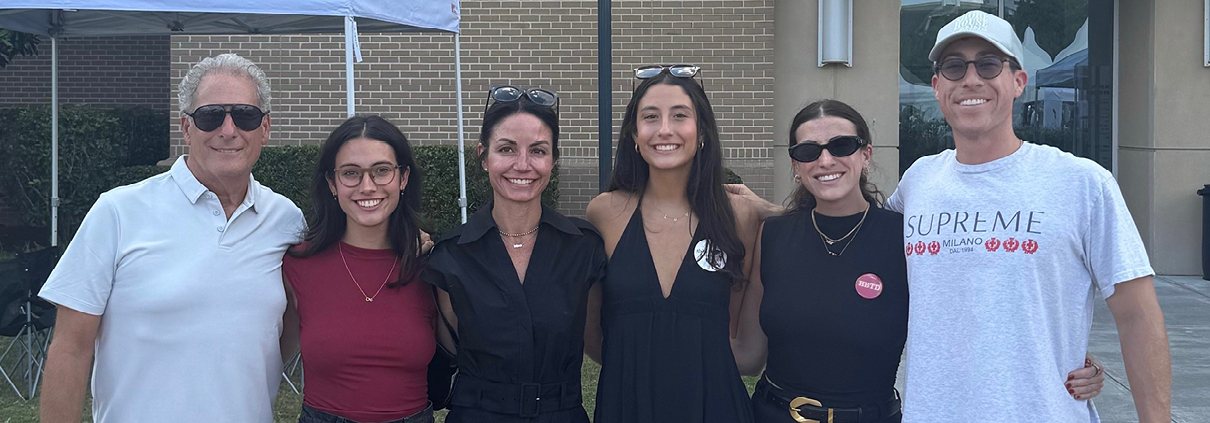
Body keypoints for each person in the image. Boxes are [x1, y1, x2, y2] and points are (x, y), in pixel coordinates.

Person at [728, 100, 1107, 423]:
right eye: (808, 151)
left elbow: (980, 318)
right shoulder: (774, 236)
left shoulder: (906, 236)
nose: (825, 159)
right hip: (772, 413)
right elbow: (746, 354)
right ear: (796, 164)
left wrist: (1069, 358)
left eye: (842, 145)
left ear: (866, 154)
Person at [888, 10, 1170, 422]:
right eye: (954, 66)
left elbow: (1138, 316)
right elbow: (854, 241)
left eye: (988, 64)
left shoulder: (1083, 183)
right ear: (936, 86)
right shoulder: (918, 182)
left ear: (1018, 81)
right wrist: (766, 213)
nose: (971, 79)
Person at [38, 53, 304, 423]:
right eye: (211, 116)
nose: (228, 130)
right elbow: (70, 348)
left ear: (265, 128)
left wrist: (409, 240)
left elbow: (293, 323)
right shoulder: (118, 212)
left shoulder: (287, 220)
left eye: (244, 115)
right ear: (186, 127)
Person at [585, 65, 761, 423]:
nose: (664, 130)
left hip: (715, 405)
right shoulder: (604, 213)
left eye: (680, 115)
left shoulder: (740, 215)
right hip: (626, 404)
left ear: (702, 133)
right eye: (650, 117)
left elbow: (744, 340)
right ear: (634, 135)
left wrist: (774, 211)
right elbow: (594, 336)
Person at [422, 86, 606, 422]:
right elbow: (438, 361)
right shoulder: (449, 257)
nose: (522, 165)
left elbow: (605, 344)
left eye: (538, 150)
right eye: (506, 149)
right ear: (483, 156)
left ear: (553, 160)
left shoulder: (584, 248)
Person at [280, 115, 436, 423]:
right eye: (351, 173)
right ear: (332, 183)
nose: (367, 187)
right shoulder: (297, 266)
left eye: (381, 171)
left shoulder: (431, 268)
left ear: (402, 178)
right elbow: (263, 359)